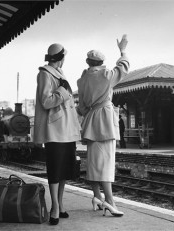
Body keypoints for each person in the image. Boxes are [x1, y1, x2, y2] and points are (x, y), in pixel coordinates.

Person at [77, 35, 129, 217]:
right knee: (106, 163)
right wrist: (122, 50)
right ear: (101, 62)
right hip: (106, 120)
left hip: (91, 121)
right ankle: (110, 202)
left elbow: (81, 108)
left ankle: (97, 197)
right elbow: (123, 68)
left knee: (93, 162)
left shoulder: (82, 80)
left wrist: (90, 111)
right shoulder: (107, 76)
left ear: (87, 62)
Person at [33, 43, 81, 225]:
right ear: (60, 58)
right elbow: (45, 101)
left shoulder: (59, 74)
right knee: (55, 170)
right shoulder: (44, 74)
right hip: (55, 131)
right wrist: (62, 92)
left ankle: (60, 204)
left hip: (66, 130)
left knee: (64, 170)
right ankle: (53, 207)